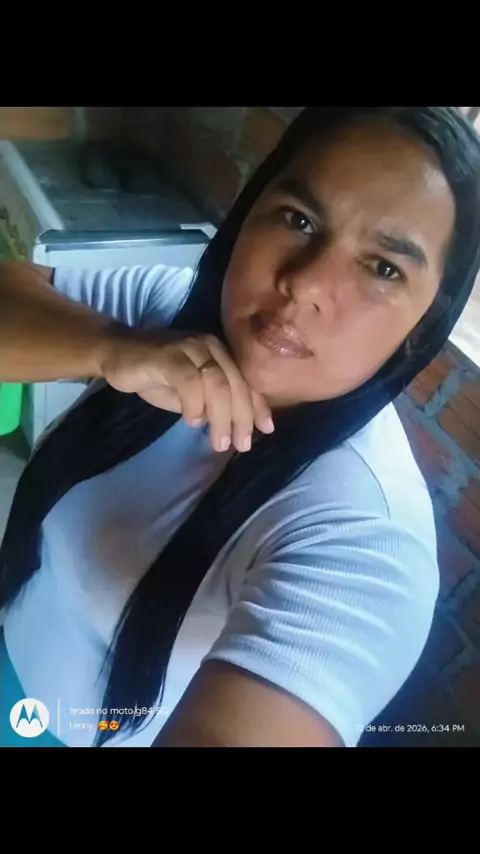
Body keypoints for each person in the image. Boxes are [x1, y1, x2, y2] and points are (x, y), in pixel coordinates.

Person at [0, 107, 479, 749]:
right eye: (298, 219)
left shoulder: (366, 538)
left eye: (383, 268)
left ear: (422, 329)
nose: (303, 285)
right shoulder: (168, 312)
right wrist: (111, 347)